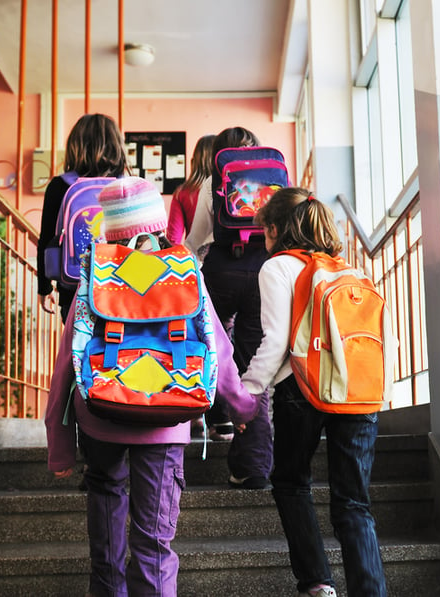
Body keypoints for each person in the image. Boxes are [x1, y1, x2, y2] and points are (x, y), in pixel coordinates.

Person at [45, 176, 259, 597]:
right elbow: (218, 347)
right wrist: (242, 408)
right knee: (155, 545)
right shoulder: (185, 272)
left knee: (106, 544)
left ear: (110, 230)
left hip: (101, 413)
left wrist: (60, 445)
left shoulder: (95, 273)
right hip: (168, 413)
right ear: (158, 225)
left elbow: (65, 363)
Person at [241, 187, 387, 597]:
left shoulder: (277, 268)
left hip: (300, 387)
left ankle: (318, 583)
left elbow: (274, 345)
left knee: (290, 482)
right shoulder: (353, 272)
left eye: (264, 232)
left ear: (275, 228)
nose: (263, 241)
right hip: (358, 392)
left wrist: (248, 393)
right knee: (354, 504)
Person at [185, 126, 273, 484]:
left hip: (221, 271)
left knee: (212, 349)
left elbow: (195, 240)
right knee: (255, 365)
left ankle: (217, 413)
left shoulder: (212, 182)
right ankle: (252, 466)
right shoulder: (271, 179)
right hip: (264, 272)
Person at [37, 113, 128, 322]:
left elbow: (45, 239)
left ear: (75, 145)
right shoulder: (127, 186)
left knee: (78, 353)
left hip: (73, 288)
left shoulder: (60, 186)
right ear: (117, 146)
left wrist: (43, 287)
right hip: (119, 287)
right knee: (117, 351)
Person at [166, 133, 215, 248]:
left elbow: (173, 240)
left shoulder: (182, 193)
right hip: (223, 258)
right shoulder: (228, 191)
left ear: (195, 161)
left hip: (195, 259)